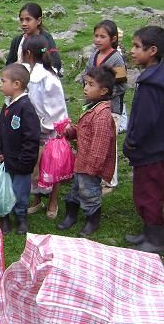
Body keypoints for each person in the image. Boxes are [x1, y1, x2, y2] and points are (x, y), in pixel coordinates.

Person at [123, 26, 164, 254]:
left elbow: (146, 119)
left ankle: (156, 239)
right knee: (143, 190)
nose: (132, 51)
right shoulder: (154, 76)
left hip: (149, 148)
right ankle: (148, 230)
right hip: (150, 147)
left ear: (152, 50)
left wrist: (133, 140)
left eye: (137, 46)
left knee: (150, 192)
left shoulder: (152, 84)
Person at [57, 66, 116, 236]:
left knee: (89, 192)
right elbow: (85, 131)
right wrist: (71, 131)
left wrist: (93, 168)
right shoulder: (91, 107)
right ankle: (71, 215)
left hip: (90, 165)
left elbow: (99, 145)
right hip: (81, 162)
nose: (85, 88)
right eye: (86, 83)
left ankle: (92, 220)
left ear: (103, 90)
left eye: (91, 85)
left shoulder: (102, 116)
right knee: (75, 189)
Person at [0, 64, 40, 235]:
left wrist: (25, 162)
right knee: (4, 190)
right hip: (5, 161)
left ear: (16, 84)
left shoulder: (26, 108)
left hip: (21, 164)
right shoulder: (7, 105)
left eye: (3, 81)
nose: (0, 84)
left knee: (20, 193)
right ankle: (4, 217)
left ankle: (21, 217)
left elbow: (31, 138)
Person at [22, 35, 68, 219]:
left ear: (27, 54)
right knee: (36, 165)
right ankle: (37, 199)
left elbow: (56, 106)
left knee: (52, 165)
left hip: (49, 129)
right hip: (34, 128)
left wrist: (51, 126)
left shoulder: (47, 77)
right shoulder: (30, 74)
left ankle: (53, 201)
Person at [83, 20, 127, 189]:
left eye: (103, 36)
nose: (98, 40)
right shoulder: (94, 55)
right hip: (92, 106)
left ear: (113, 38)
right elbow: (87, 74)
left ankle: (110, 179)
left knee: (109, 142)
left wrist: (105, 96)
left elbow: (122, 84)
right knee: (93, 140)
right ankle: (95, 172)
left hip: (111, 108)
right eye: (96, 36)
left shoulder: (116, 58)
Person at [6, 2, 62, 74]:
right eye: (21, 20)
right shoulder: (17, 41)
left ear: (38, 21)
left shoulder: (46, 39)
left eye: (28, 19)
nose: (24, 23)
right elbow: (9, 64)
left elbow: (56, 63)